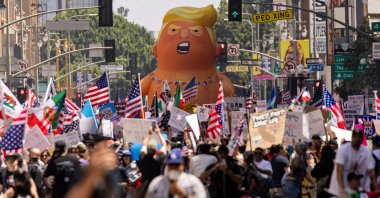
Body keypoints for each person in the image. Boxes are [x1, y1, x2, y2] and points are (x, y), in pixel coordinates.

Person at [141, 5, 235, 105]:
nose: (184, 34)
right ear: (156, 49)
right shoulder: (154, 77)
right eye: (173, 30)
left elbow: (231, 93)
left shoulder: (215, 78)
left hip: (206, 119)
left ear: (215, 50)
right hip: (162, 118)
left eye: (196, 31)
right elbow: (136, 93)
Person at [327, 128, 379, 197]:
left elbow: (371, 172)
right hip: (340, 187)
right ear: (352, 137)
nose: (357, 139)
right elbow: (339, 170)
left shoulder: (366, 152)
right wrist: (341, 189)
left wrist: (376, 188)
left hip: (357, 188)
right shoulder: (343, 150)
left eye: (359, 137)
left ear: (362, 138)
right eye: (355, 137)